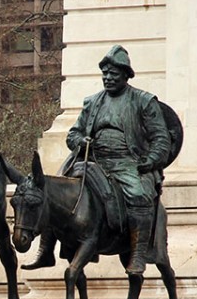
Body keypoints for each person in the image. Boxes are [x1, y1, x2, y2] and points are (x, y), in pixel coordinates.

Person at [22, 45, 171, 275]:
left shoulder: (143, 101)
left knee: (139, 193)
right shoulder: (92, 102)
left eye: (114, 74)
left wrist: (149, 161)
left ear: (126, 75)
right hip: (92, 161)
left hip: (128, 163)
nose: (108, 78)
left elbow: (161, 139)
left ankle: (139, 252)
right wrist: (80, 141)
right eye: (105, 74)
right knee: (51, 190)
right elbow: (73, 133)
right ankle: (46, 249)